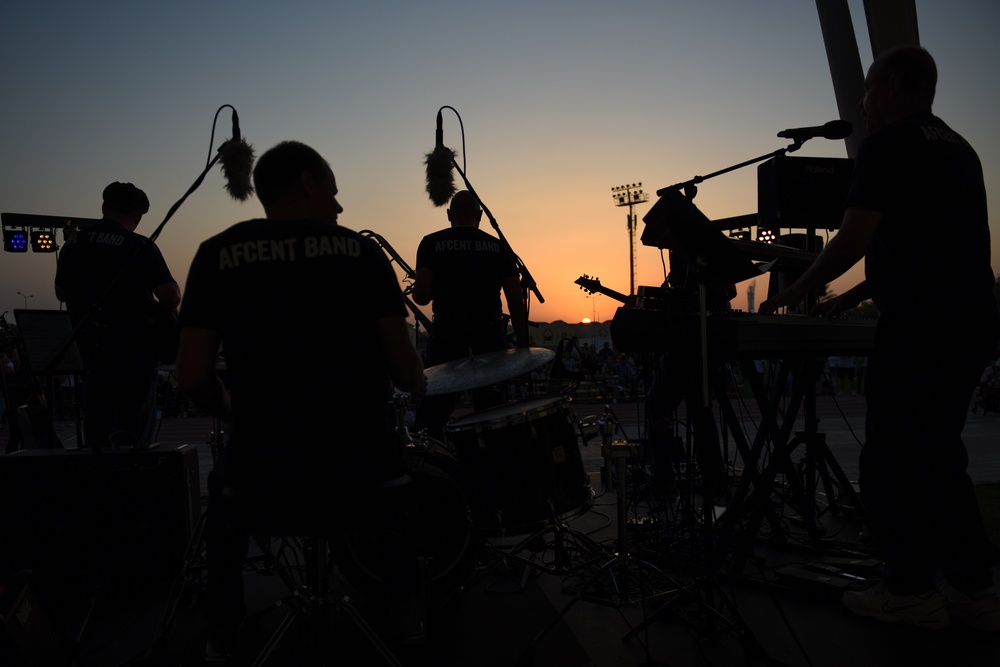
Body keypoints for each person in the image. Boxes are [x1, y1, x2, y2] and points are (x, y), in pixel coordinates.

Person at [759, 46, 1000, 632]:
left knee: (891, 459)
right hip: (971, 318)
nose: (862, 105)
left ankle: (910, 590)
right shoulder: (960, 148)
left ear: (890, 86)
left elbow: (851, 240)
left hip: (921, 324)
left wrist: (796, 292)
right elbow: (918, 248)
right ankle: (973, 588)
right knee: (939, 456)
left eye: (866, 90)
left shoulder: (885, 146)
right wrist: (843, 302)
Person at [174, 141, 428, 659]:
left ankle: (223, 632)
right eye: (333, 194)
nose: (338, 208)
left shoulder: (216, 253)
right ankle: (405, 619)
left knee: (221, 496)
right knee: (405, 488)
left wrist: (234, 412)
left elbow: (192, 374)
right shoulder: (361, 253)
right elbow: (406, 373)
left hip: (260, 476)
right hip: (363, 475)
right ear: (308, 183)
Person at [55, 182, 180, 450]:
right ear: (137, 216)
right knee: (132, 439)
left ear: (103, 207)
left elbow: (61, 293)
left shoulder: (73, 244)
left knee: (97, 436)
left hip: (89, 354)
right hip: (133, 356)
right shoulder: (138, 245)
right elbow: (170, 296)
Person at [411, 190, 528, 438]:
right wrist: (523, 347)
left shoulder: (430, 243)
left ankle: (432, 465)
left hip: (446, 333)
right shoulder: (500, 248)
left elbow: (421, 297)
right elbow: (516, 304)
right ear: (480, 215)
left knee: (434, 410)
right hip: (489, 334)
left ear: (449, 215)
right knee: (493, 413)